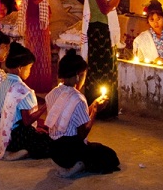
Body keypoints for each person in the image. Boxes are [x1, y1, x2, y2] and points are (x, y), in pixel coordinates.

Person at [46, 49, 120, 178]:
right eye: (84, 75)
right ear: (78, 76)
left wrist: (93, 105)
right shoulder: (78, 98)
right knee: (109, 156)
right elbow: (81, 134)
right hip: (70, 151)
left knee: (96, 148)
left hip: (53, 149)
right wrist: (95, 110)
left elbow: (70, 116)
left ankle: (67, 164)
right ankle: (77, 165)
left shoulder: (54, 92)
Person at [81, 0, 128, 117]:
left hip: (105, 28)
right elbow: (105, 8)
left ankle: (108, 107)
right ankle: (97, 108)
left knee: (109, 67)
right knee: (100, 69)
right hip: (100, 28)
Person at [0, 41, 51, 161]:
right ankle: (25, 151)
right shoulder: (22, 89)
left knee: (43, 128)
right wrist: (45, 106)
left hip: (6, 135)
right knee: (50, 142)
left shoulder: (3, 84)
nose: (29, 72)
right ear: (20, 68)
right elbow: (27, 121)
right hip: (19, 136)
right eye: (29, 68)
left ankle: (14, 150)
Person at [18, 0, 62, 94]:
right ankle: (36, 84)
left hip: (37, 19)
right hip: (35, 20)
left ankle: (39, 84)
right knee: (37, 53)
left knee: (40, 52)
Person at [133, 0, 163, 64]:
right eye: (152, 20)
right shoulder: (143, 38)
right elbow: (140, 59)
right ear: (148, 20)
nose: (156, 23)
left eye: (158, 19)